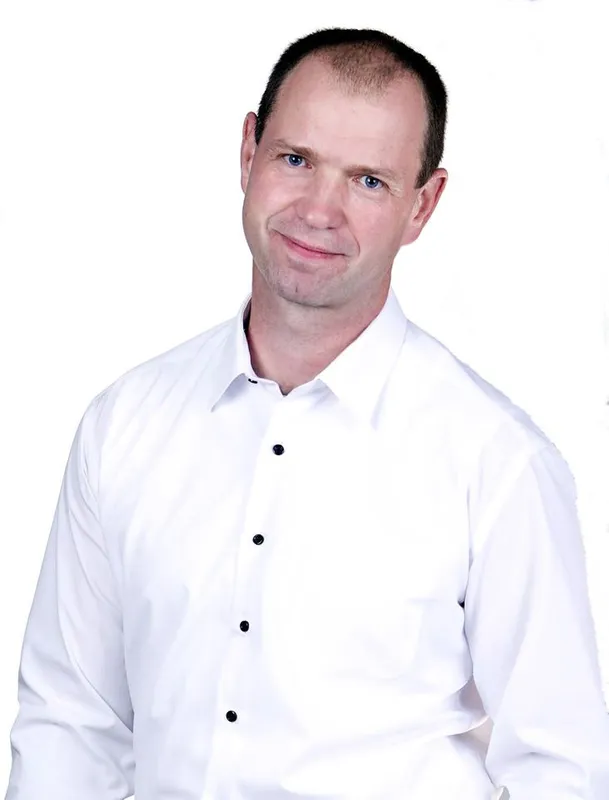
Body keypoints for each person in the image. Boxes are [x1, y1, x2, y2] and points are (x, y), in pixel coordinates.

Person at [4, 26, 609, 800]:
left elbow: (560, 769)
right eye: (295, 160)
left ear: (421, 205)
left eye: (368, 181)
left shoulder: (494, 463)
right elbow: (69, 725)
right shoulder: (124, 424)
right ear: (248, 152)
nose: (319, 210)